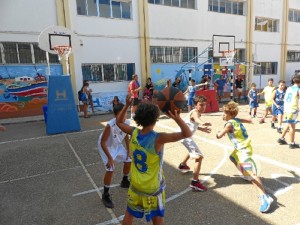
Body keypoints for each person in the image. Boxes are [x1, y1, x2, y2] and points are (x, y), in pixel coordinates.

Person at [116, 96, 192, 225]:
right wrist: (177, 118)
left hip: (135, 183)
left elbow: (119, 122)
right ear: (156, 119)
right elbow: (187, 134)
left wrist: (127, 105)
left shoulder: (133, 132)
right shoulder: (158, 138)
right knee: (157, 217)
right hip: (152, 187)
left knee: (129, 213)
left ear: (138, 118)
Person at [216, 101, 273, 213]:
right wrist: (250, 120)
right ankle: (246, 175)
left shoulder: (228, 124)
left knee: (251, 174)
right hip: (241, 149)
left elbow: (219, 136)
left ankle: (265, 197)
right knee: (232, 157)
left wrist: (218, 133)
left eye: (225, 114)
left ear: (231, 115)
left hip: (243, 151)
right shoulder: (235, 120)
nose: (223, 115)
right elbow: (246, 120)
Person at [98, 103, 131, 209]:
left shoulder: (127, 122)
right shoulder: (110, 125)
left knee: (128, 160)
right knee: (110, 169)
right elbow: (103, 142)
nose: (123, 115)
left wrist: (128, 150)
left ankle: (125, 181)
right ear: (115, 115)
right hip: (106, 146)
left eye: (125, 112)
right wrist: (110, 158)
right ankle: (105, 195)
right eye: (120, 114)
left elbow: (126, 136)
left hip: (117, 144)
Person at [178, 95, 212, 191]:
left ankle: (183, 165)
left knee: (192, 149)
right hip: (185, 137)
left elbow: (194, 123)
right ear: (195, 105)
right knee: (199, 156)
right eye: (201, 105)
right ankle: (195, 182)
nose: (203, 107)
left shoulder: (197, 113)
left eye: (205, 105)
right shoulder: (195, 113)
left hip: (185, 136)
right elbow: (196, 120)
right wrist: (203, 123)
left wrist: (202, 128)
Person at [277, 75, 300, 149]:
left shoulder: (289, 88)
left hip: (286, 109)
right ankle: (292, 143)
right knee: (292, 126)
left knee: (288, 124)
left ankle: (281, 138)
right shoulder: (298, 89)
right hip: (292, 109)